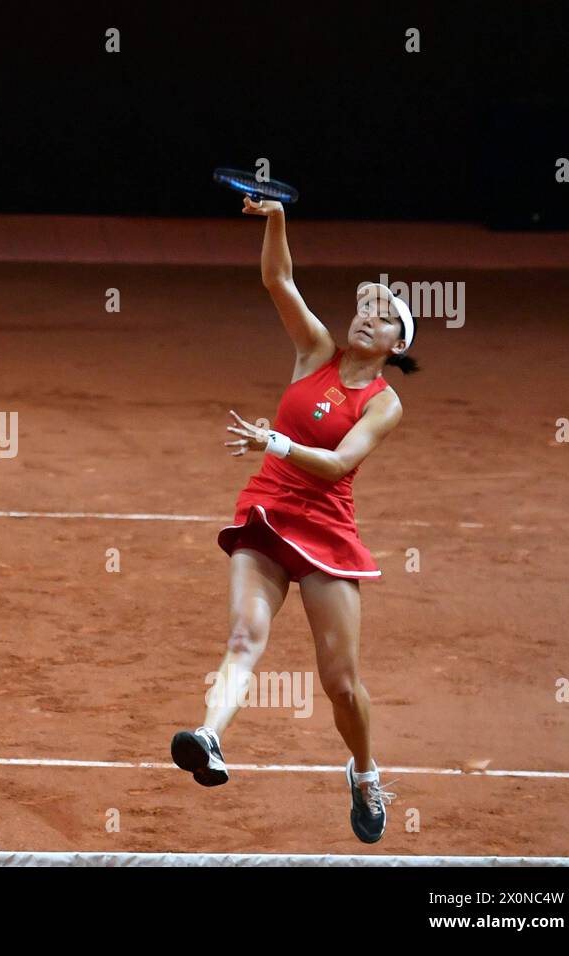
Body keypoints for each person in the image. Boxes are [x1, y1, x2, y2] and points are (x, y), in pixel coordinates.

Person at [171, 196, 420, 844]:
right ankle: (210, 737)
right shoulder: (315, 351)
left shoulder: (385, 402)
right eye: (366, 308)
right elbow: (278, 280)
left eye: (385, 318)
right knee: (244, 637)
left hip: (326, 534)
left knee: (340, 683)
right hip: (266, 514)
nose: (370, 319)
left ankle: (363, 772)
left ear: (397, 345)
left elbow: (338, 465)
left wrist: (275, 443)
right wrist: (278, 219)